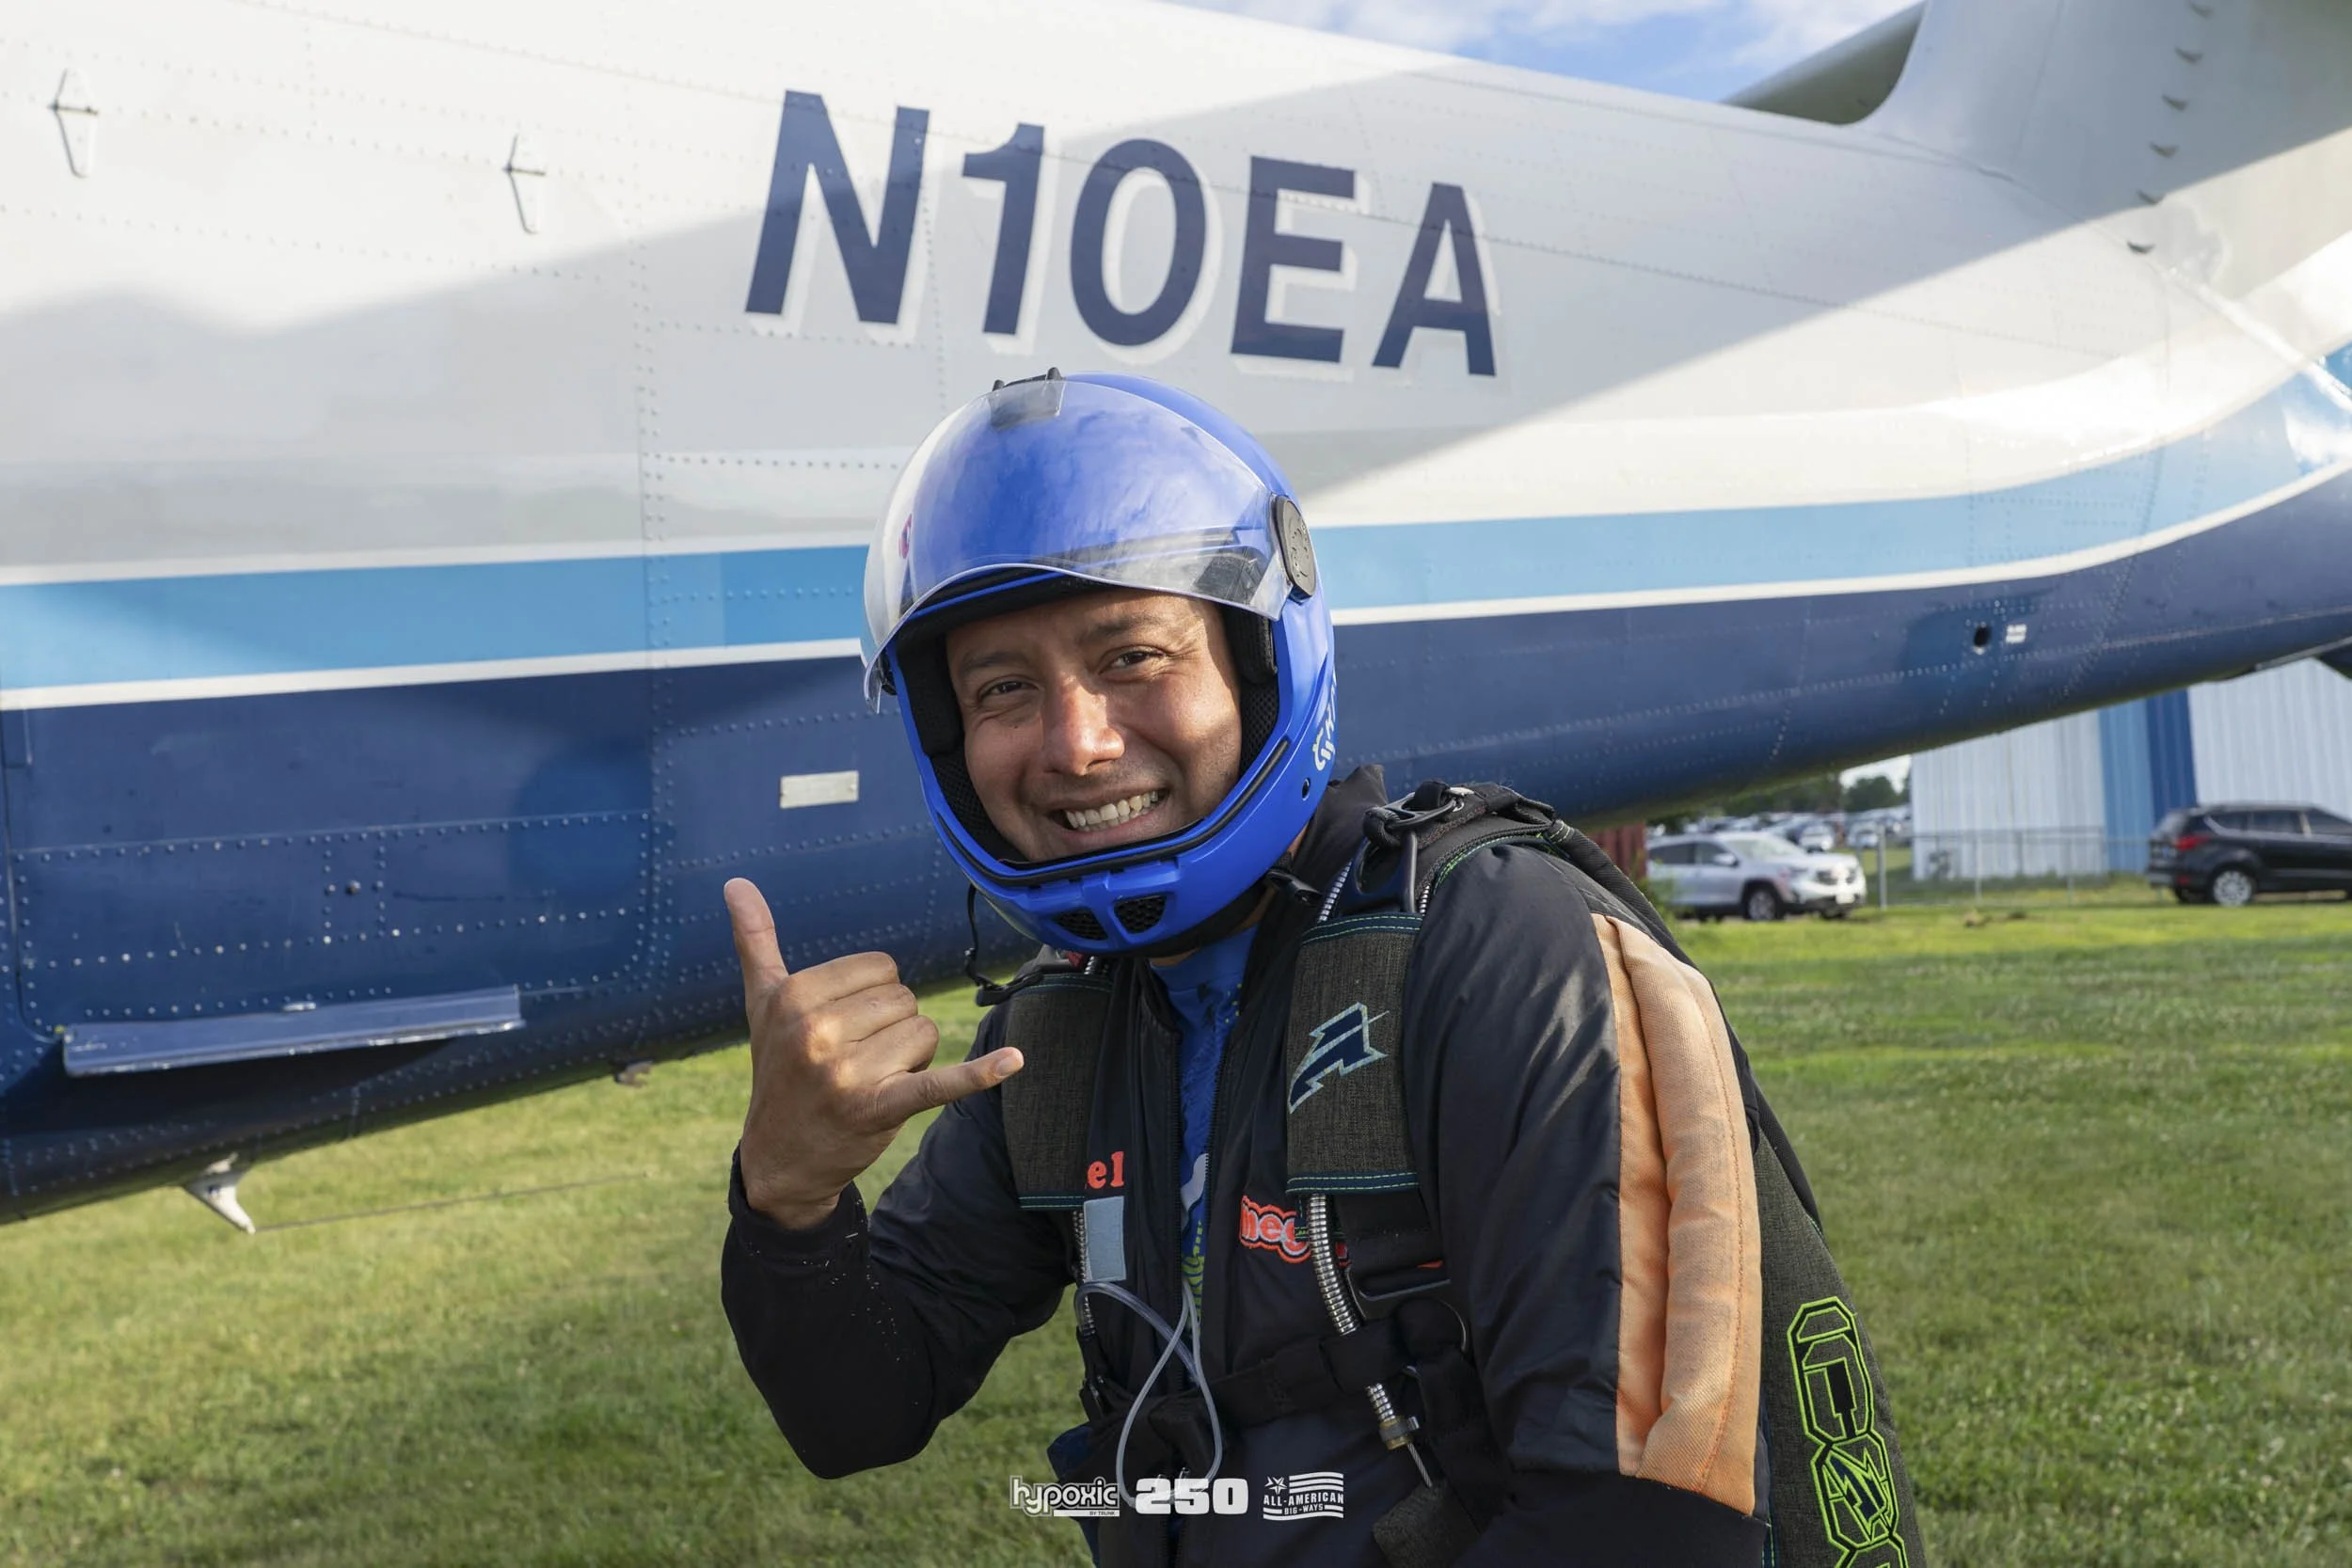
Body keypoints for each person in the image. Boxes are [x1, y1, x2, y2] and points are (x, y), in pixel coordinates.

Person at [720, 372, 1919, 1568]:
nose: (1076, 741)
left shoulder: (1496, 946)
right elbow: (859, 1407)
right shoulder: (1067, 1024)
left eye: (1133, 655)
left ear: (1257, 662)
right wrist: (788, 1195)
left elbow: (1648, 1518)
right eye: (1002, 690)